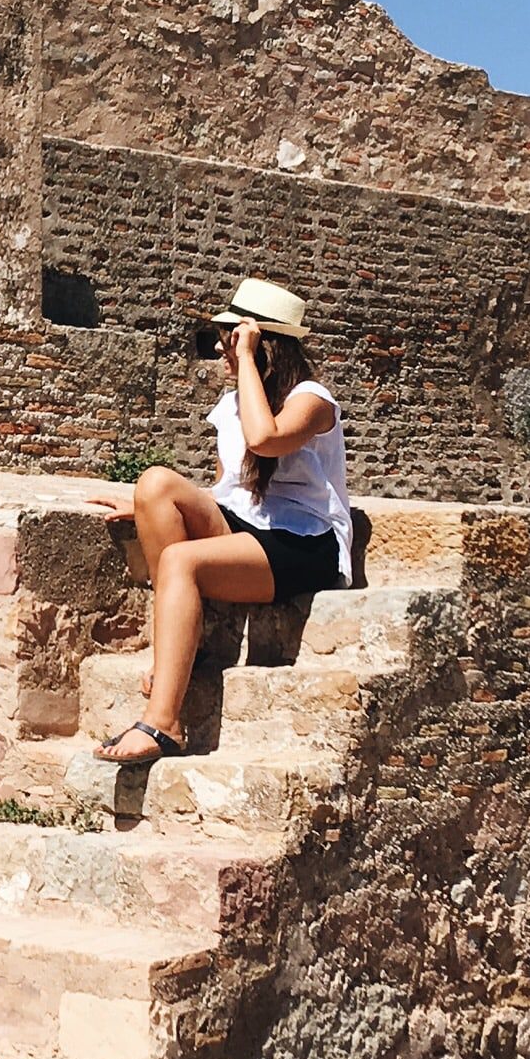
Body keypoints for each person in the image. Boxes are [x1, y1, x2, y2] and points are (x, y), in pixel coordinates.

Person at [91, 276, 352, 768]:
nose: (220, 346)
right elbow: (229, 487)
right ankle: (182, 650)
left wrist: (249, 358)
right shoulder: (233, 404)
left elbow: (265, 440)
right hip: (249, 526)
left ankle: (164, 722)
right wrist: (147, 507)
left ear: (261, 341)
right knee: (154, 484)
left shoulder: (312, 400)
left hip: (302, 542)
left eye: (230, 335)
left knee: (181, 561)